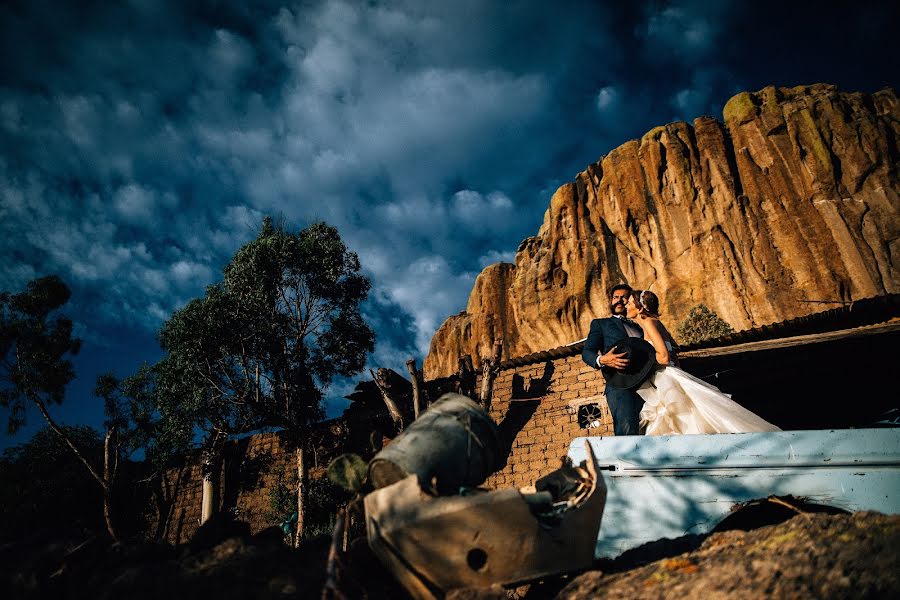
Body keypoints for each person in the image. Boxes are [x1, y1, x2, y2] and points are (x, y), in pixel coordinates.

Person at [626, 289, 781, 435]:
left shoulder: (649, 323)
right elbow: (673, 356)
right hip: (671, 373)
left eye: (630, 303)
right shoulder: (656, 323)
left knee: (679, 415)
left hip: (665, 377)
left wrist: (643, 362)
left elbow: (664, 357)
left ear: (640, 309)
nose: (627, 305)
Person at [582, 284, 646, 435]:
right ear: (611, 301)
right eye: (616, 297)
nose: (619, 300)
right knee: (627, 431)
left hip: (646, 383)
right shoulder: (601, 324)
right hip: (620, 385)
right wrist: (602, 360)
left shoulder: (640, 326)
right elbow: (587, 352)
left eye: (624, 297)